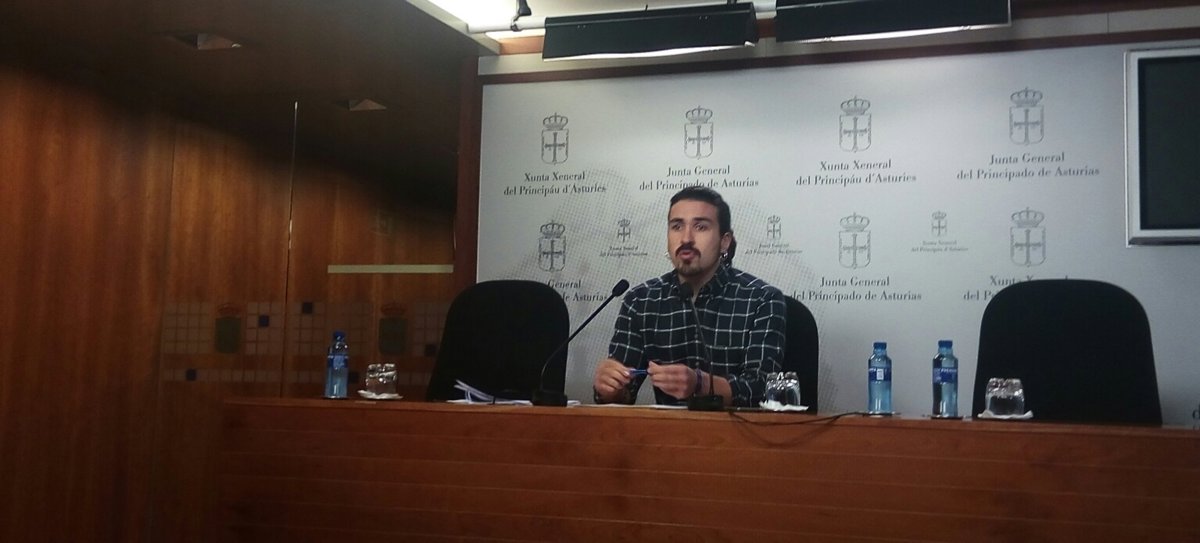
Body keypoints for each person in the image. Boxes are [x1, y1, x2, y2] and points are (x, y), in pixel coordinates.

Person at [592, 186, 786, 407]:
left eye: (700, 227)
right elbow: (623, 396)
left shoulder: (762, 300)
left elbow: (763, 390)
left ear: (724, 241)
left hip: (737, 428)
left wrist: (700, 384)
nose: (686, 238)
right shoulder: (641, 300)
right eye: (677, 226)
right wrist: (610, 388)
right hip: (667, 429)